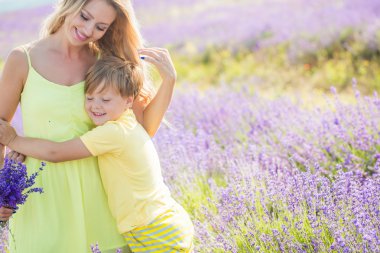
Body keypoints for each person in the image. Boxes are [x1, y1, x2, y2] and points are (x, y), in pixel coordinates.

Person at [0, 0, 176, 252]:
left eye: (100, 26)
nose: (88, 29)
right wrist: (2, 190)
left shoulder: (108, 64)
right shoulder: (23, 59)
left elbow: (142, 129)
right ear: (70, 5)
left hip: (100, 197)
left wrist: (168, 80)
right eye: (84, 16)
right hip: (41, 197)